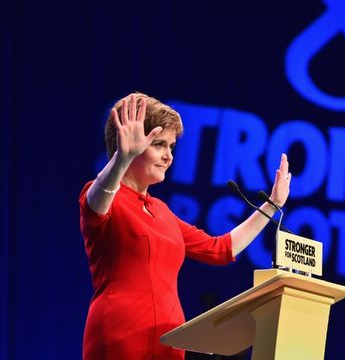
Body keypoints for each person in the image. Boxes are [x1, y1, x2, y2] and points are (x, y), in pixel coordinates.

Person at [79, 93, 291, 360]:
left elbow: (220, 248)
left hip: (170, 344)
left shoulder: (162, 212)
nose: (168, 156)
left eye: (171, 147)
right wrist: (121, 159)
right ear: (130, 143)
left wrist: (271, 205)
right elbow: (97, 198)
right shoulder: (104, 197)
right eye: (158, 145)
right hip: (121, 338)